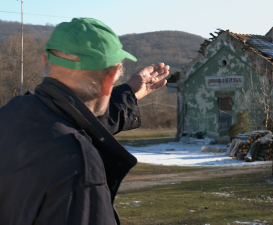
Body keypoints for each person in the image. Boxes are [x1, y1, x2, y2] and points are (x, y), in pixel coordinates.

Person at [0, 18, 169, 225]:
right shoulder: (78, 164)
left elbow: (75, 120)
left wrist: (129, 93)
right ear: (112, 77)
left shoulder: (12, 113)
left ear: (45, 60)